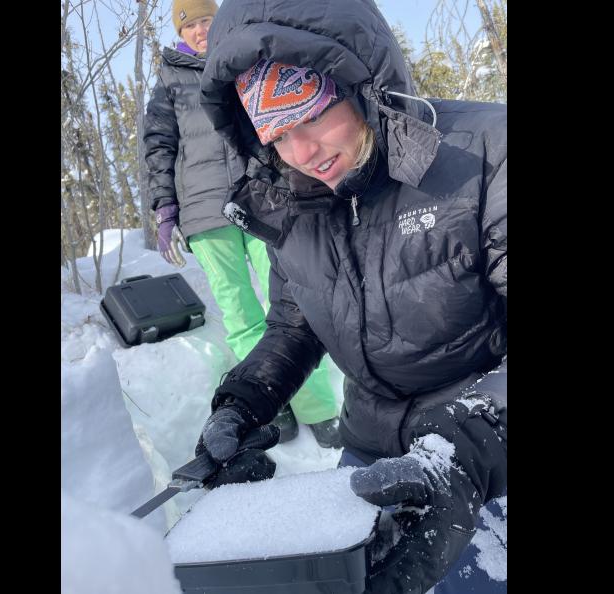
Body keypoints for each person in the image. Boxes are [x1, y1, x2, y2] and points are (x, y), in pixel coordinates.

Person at [193, 0, 507, 592]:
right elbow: (295, 322)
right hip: (371, 451)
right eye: (278, 135)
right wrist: (245, 402)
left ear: (362, 85)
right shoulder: (293, 197)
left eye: (310, 116)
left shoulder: (487, 155)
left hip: (488, 452)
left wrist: (465, 451)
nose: (303, 154)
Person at [143, 0, 342, 448]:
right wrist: (164, 208)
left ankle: (317, 405)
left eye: (205, 20)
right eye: (188, 25)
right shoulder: (169, 80)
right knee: (239, 311)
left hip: (260, 197)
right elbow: (158, 146)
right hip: (201, 209)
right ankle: (273, 400)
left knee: (292, 302)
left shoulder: (242, 59)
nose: (198, 31)